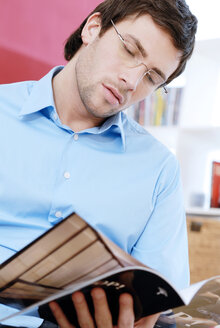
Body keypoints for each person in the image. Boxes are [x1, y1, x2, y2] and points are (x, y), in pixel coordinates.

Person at [0, 0, 197, 327]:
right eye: (131, 50)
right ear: (93, 29)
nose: (132, 82)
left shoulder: (159, 169)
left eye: (152, 78)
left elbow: (157, 309)